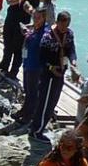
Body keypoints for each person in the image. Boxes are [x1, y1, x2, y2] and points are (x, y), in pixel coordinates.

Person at [30, 10, 79, 140]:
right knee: (44, 102)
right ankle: (36, 130)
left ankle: (42, 127)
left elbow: (71, 50)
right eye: (62, 25)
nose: (64, 28)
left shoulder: (69, 34)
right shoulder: (48, 36)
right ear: (57, 22)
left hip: (61, 72)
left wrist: (73, 61)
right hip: (49, 73)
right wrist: (51, 68)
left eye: (66, 25)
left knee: (53, 101)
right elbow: (41, 57)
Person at [0, 0, 39, 80]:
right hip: (11, 19)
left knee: (18, 48)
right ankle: (4, 65)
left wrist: (27, 7)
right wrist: (21, 0)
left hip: (23, 24)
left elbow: (34, 9)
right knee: (7, 44)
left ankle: (14, 71)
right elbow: (9, 1)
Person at [18, 7, 50, 128]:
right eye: (34, 17)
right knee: (27, 89)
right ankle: (24, 110)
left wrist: (27, 35)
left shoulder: (45, 32)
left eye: (38, 18)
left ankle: (29, 116)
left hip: (36, 67)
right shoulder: (35, 29)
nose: (35, 20)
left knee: (33, 92)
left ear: (44, 18)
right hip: (28, 63)